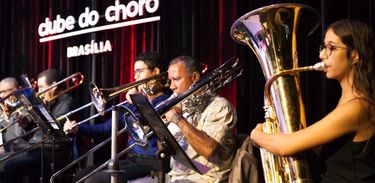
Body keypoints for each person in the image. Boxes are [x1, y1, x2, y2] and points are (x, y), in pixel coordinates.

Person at [250, 19, 375, 182]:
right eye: (323, 47)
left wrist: (256, 135)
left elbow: (284, 147)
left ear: (355, 55)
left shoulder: (357, 106)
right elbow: (325, 150)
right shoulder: (348, 101)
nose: (322, 55)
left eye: (331, 48)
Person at [64, 51, 170, 182]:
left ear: (155, 72)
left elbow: (144, 125)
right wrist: (78, 128)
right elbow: (105, 129)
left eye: (139, 71)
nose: (135, 77)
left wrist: (136, 103)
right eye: (134, 72)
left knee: (94, 180)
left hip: (153, 162)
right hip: (133, 158)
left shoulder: (165, 101)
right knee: (80, 176)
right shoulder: (133, 103)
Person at [164, 55, 237, 182]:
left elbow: (208, 150)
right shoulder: (181, 103)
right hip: (177, 175)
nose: (171, 86)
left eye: (176, 80)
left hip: (204, 177)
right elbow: (163, 147)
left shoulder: (219, 106)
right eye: (170, 81)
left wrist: (179, 120)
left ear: (195, 77)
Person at [3, 69, 75, 183]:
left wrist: (42, 109)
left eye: (41, 87)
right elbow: (40, 129)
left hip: (51, 151)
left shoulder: (66, 101)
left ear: (54, 86)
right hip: (35, 148)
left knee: (10, 166)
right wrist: (27, 125)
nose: (39, 91)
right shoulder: (47, 102)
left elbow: (56, 128)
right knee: (4, 161)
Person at [0, 77, 32, 153]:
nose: (1, 96)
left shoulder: (27, 106)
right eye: (0, 92)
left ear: (16, 89)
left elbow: (19, 134)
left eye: (4, 91)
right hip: (7, 151)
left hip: (22, 152)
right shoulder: (5, 108)